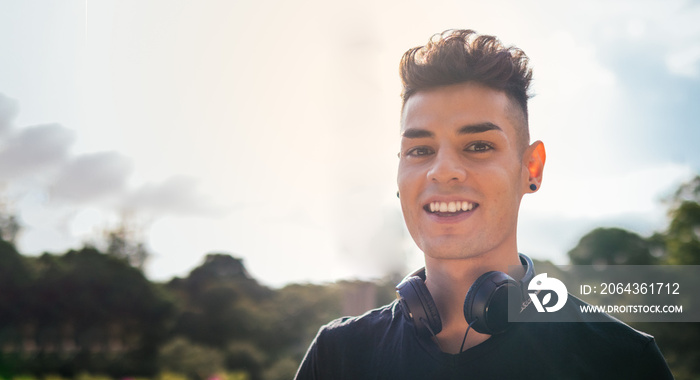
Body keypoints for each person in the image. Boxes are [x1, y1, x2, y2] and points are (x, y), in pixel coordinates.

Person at [294, 29, 673, 379]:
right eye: (420, 150)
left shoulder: (622, 360)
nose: (442, 172)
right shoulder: (337, 356)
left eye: (478, 146)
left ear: (531, 168)